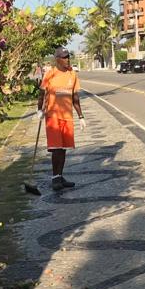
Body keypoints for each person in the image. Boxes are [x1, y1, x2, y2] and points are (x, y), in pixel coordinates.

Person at [37, 48, 86, 191]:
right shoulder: (50, 73)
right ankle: (55, 178)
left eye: (68, 57)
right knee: (56, 149)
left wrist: (81, 116)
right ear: (57, 59)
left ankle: (60, 175)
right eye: (64, 57)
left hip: (67, 117)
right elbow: (41, 93)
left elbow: (75, 98)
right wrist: (39, 110)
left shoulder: (72, 74)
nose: (67, 60)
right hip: (53, 116)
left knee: (64, 149)